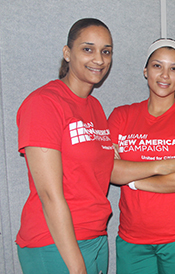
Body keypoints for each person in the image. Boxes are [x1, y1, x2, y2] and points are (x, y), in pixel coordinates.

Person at [16, 18, 114, 274]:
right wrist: (76, 266)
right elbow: (49, 194)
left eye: (106, 51)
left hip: (95, 235)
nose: (99, 59)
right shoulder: (44, 104)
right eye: (88, 49)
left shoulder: (95, 107)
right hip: (54, 242)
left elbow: (105, 169)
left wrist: (163, 166)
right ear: (67, 53)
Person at [108, 38, 175, 274]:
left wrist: (131, 179)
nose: (165, 75)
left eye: (174, 68)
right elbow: (110, 171)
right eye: (157, 66)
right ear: (145, 71)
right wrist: (160, 165)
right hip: (133, 238)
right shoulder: (121, 116)